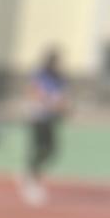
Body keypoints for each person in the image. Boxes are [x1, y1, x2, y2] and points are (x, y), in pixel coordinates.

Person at [23, 47, 69, 205]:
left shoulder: (60, 78)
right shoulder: (39, 74)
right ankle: (31, 177)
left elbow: (62, 97)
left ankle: (33, 172)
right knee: (39, 147)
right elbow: (35, 92)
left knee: (51, 149)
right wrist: (49, 103)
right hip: (38, 117)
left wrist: (63, 108)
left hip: (50, 119)